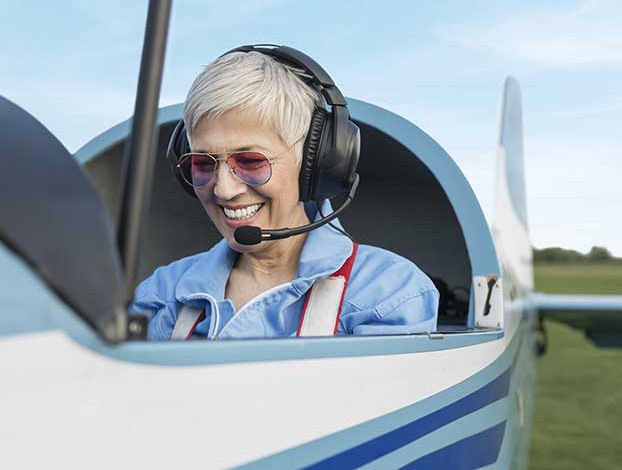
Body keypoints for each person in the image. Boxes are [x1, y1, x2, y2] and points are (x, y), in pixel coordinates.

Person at [130, 46, 439, 340]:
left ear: (313, 163)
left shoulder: (387, 293)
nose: (223, 190)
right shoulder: (161, 294)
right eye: (202, 163)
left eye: (250, 161)